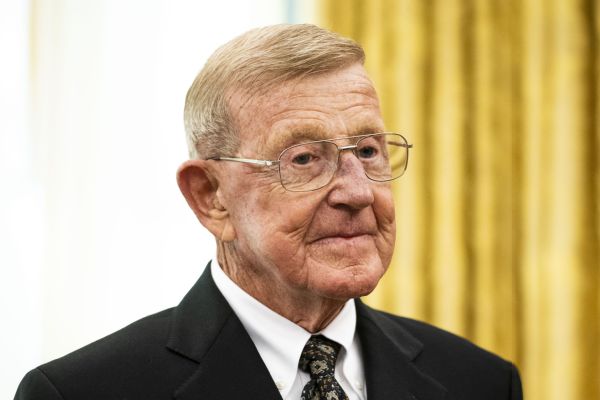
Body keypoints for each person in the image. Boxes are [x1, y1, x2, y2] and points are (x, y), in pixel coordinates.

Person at [15, 24, 522, 400]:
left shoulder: (479, 382)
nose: (358, 193)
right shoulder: (81, 392)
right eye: (303, 159)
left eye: (368, 151)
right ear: (211, 196)